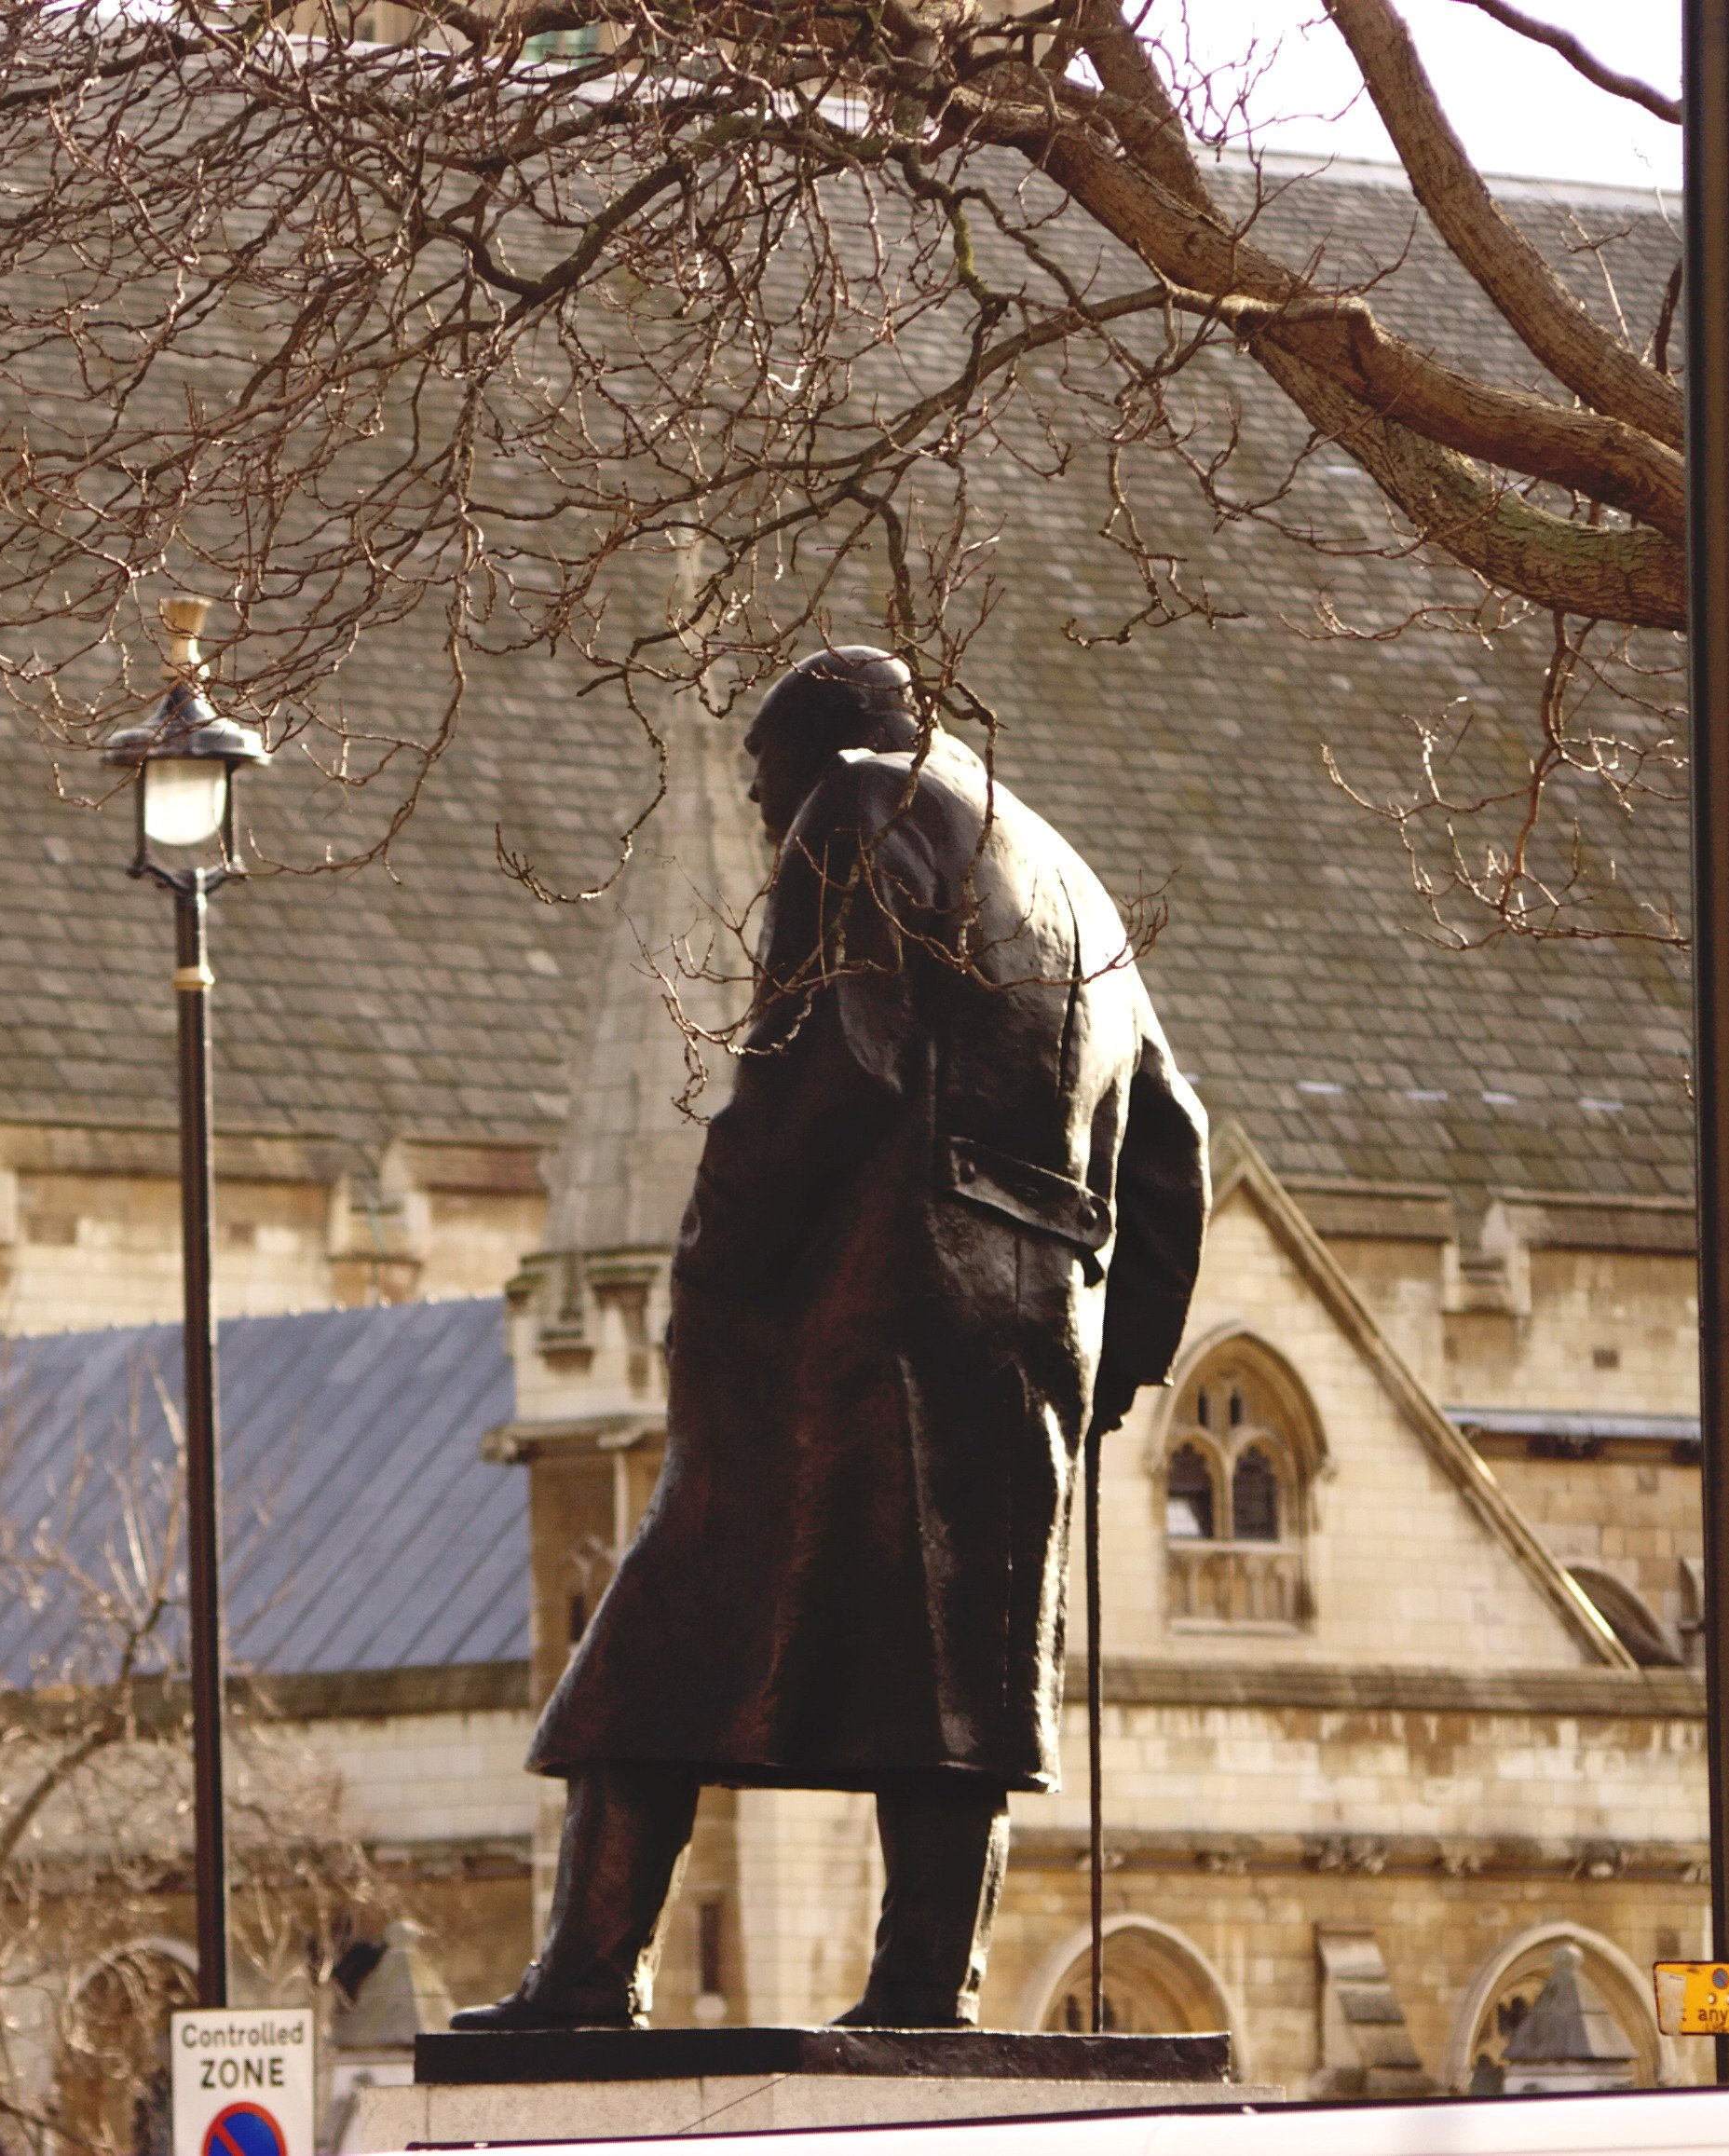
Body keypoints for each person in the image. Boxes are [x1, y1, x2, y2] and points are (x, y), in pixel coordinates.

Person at [456, 647, 1208, 2031]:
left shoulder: (859, 803)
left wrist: (717, 1261)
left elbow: (830, 1055)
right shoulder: (1069, 878)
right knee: (965, 1688)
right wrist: (1109, 1369)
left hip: (853, 1324)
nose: (764, 827)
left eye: (761, 795)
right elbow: (1171, 1155)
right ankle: (922, 1988)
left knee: (645, 1650)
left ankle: (584, 1975)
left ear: (811, 750)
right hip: (1026, 1335)